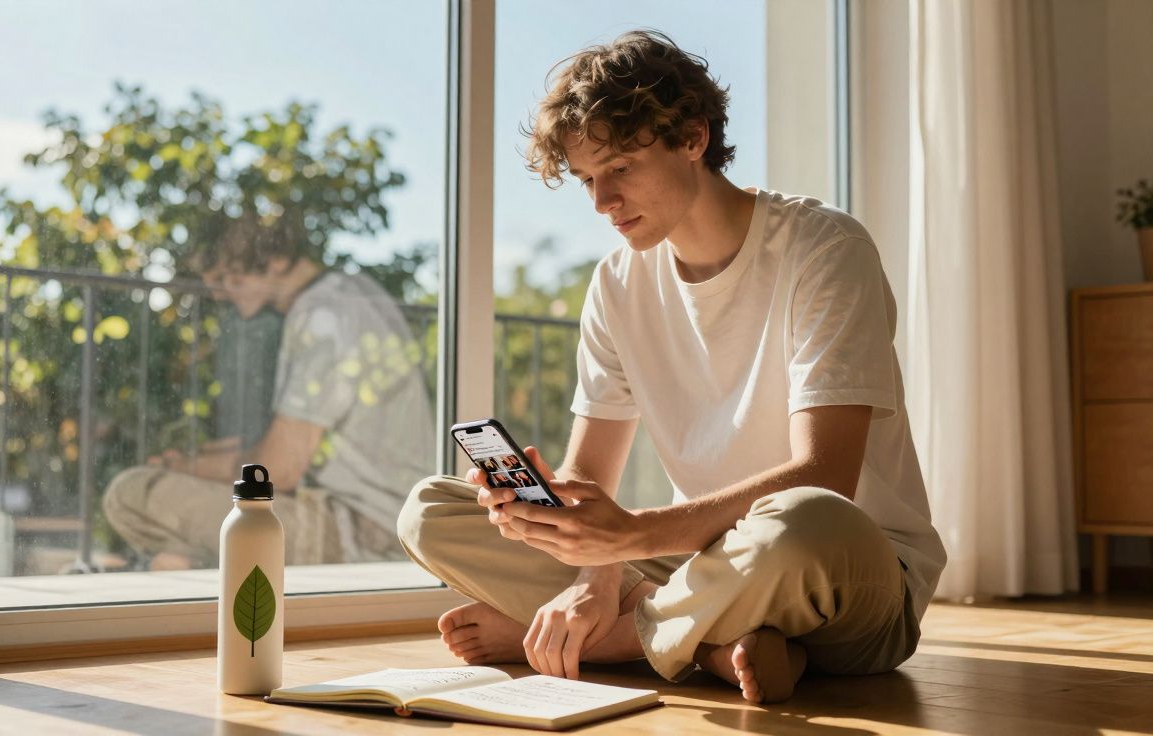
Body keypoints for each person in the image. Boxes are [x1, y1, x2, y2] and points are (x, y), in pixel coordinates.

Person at [397, 31, 945, 705]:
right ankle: (711, 644)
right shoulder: (617, 283)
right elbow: (590, 474)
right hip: (698, 561)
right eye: (587, 180)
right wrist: (580, 554)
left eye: (620, 167)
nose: (602, 201)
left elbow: (825, 475)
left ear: (692, 136)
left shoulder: (824, 248)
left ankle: (616, 642)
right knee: (431, 511)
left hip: (845, 569)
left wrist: (626, 538)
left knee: (803, 520)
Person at [104, 212, 435, 569]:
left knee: (129, 493)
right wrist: (192, 461)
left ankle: (179, 569)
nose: (218, 292)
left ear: (276, 260)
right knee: (179, 547)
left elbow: (279, 468)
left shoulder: (324, 316)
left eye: (229, 276)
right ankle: (181, 568)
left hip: (360, 532)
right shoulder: (348, 296)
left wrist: (185, 466)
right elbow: (291, 445)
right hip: (385, 521)